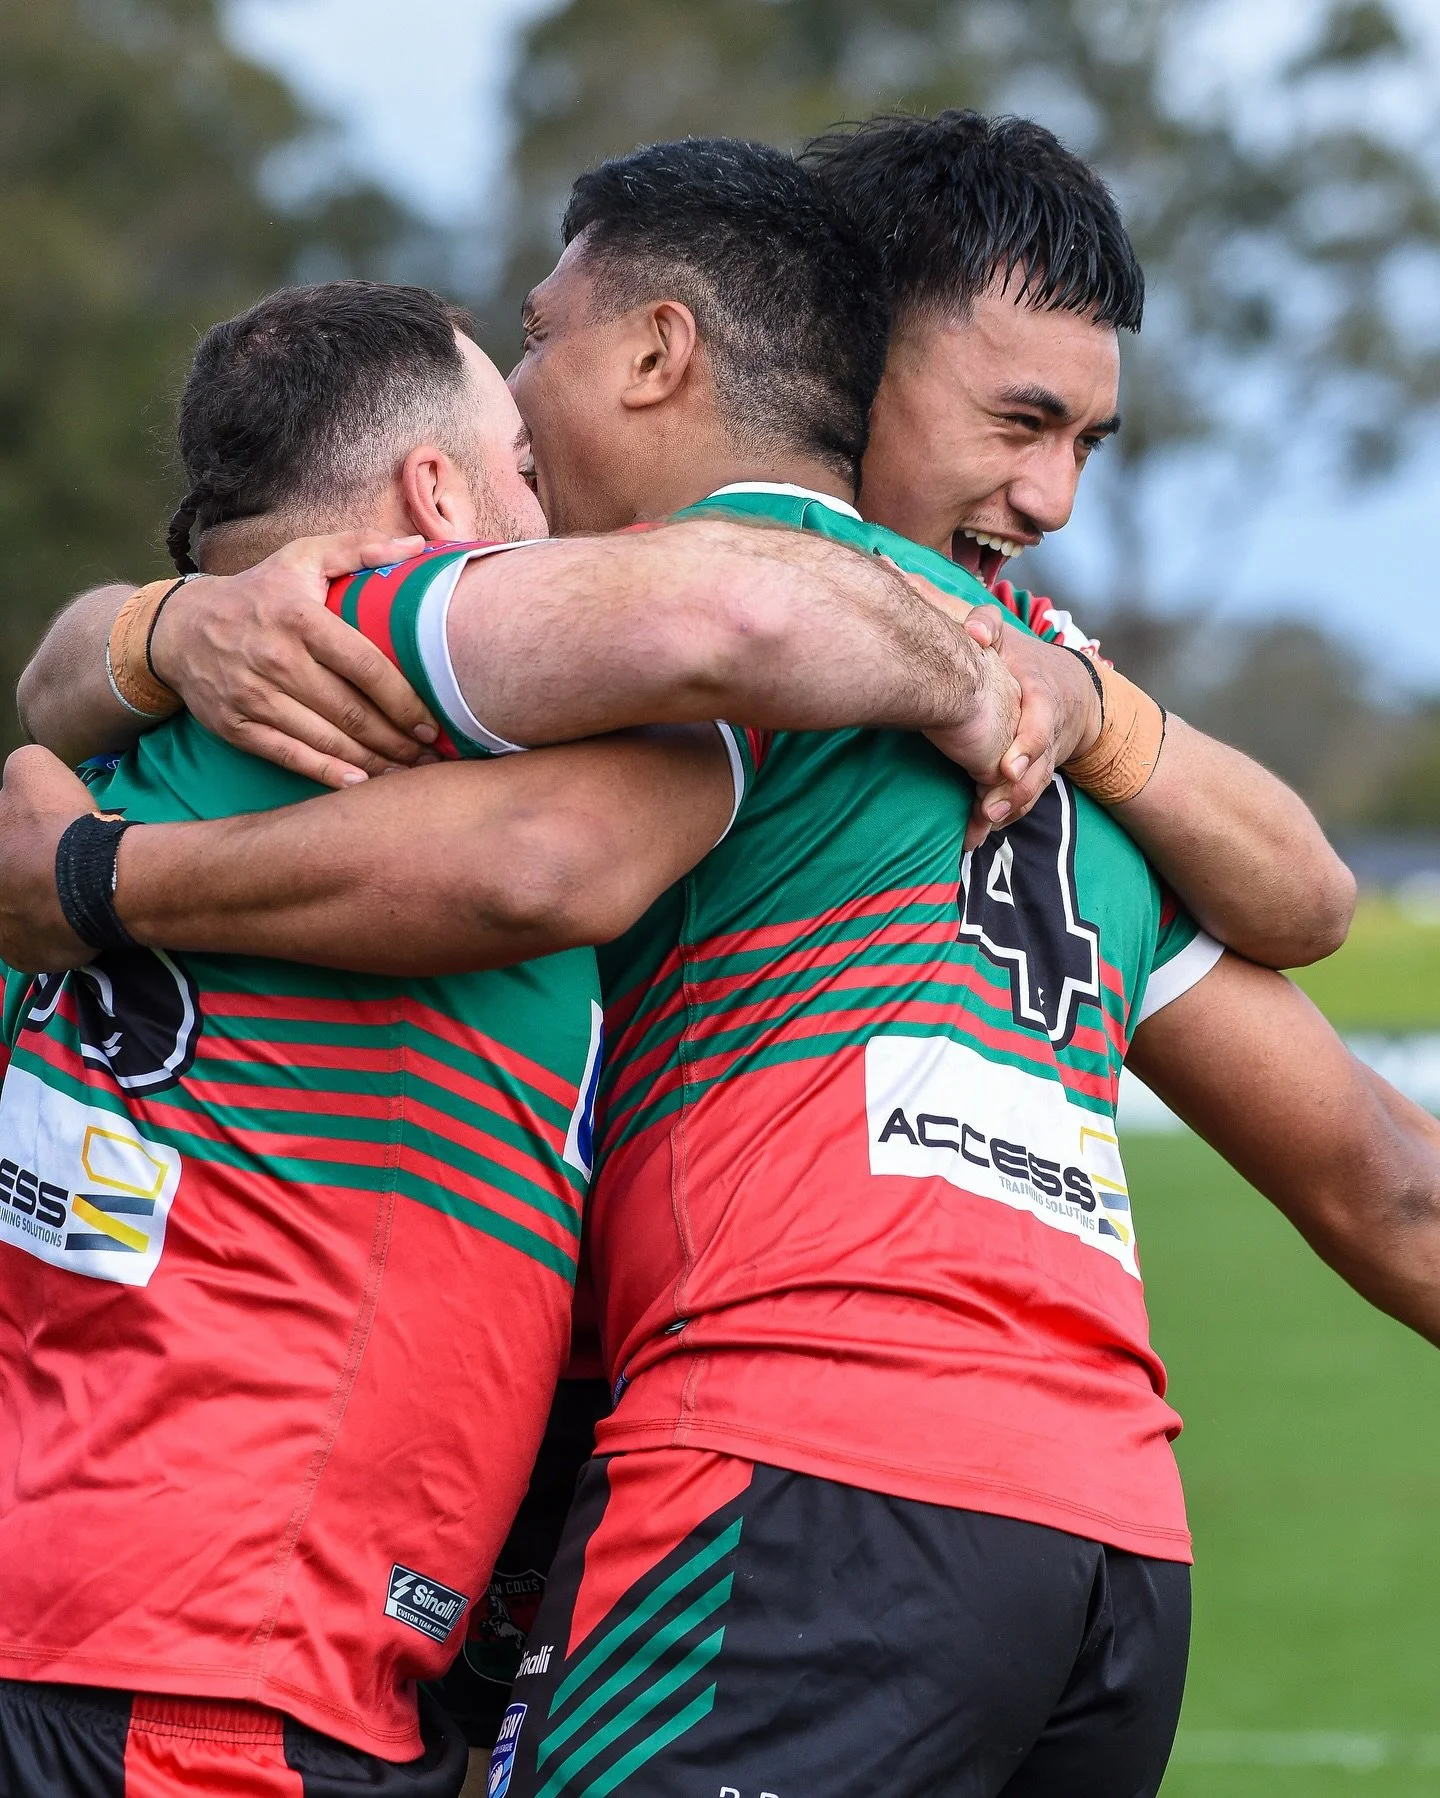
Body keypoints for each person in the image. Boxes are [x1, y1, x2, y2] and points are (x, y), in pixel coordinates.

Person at [3, 135, 1418, 1798]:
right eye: (1021, 425)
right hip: (1105, 1557)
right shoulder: (1065, 741)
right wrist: (145, 632)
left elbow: (541, 832)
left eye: (1078, 437)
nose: (1049, 501)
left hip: (800, 1490)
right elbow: (1391, 1185)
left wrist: (106, 824)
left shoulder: (704, 623)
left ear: (698, 347)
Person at [0, 266, 1045, 1798]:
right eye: (526, 471)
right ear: (439, 496)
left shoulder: (141, 719)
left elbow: (63, 671)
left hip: (151, 1618)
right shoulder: (385, 634)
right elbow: (701, 657)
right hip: (209, 1659)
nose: (553, 516)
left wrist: (125, 652)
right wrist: (992, 676)